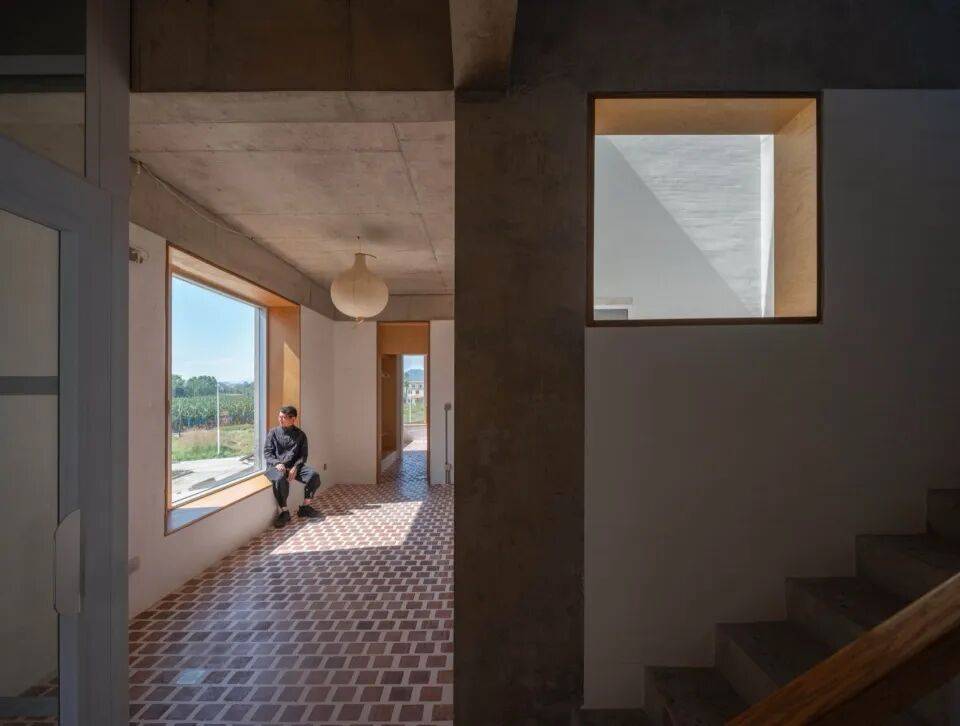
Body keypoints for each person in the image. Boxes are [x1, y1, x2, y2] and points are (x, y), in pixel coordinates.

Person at [264, 405, 323, 528]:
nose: (280, 420)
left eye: (284, 417)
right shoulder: (273, 433)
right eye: (279, 417)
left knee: (314, 476)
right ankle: (284, 512)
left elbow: (303, 456)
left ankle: (305, 507)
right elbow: (267, 453)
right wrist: (277, 463)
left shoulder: (301, 435)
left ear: (293, 419)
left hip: (294, 466)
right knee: (280, 478)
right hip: (275, 467)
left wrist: (295, 467)